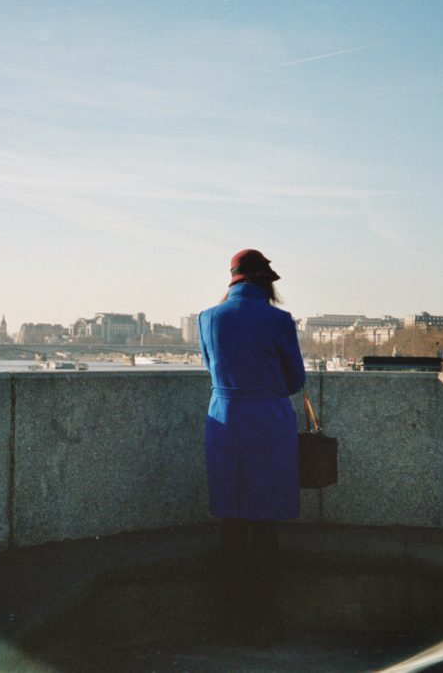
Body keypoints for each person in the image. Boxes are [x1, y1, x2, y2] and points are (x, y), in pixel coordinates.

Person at [197, 248, 305, 636]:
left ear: (233, 280)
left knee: (231, 515)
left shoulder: (208, 318)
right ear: (266, 283)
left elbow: (212, 368)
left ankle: (225, 614)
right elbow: (295, 381)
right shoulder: (279, 320)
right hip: (267, 423)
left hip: (224, 420)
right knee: (264, 522)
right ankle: (261, 617)